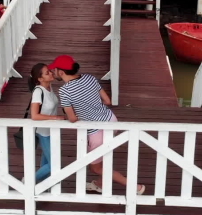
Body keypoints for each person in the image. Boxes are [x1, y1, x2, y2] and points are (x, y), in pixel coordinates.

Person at [49, 55, 145, 195]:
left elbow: (72, 118)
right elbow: (107, 101)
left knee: (96, 168)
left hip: (96, 132)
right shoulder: (89, 78)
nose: (53, 72)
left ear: (61, 72)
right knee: (103, 158)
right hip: (111, 120)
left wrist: (73, 112)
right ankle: (100, 184)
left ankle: (136, 187)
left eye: (55, 70)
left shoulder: (65, 91)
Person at [28, 63, 65, 182]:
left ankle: (42, 186)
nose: (51, 73)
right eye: (47, 73)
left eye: (49, 71)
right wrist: (55, 118)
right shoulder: (38, 92)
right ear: (40, 79)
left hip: (52, 130)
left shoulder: (49, 87)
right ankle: (28, 182)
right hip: (43, 132)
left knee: (47, 162)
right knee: (54, 164)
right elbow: (34, 116)